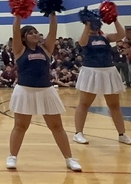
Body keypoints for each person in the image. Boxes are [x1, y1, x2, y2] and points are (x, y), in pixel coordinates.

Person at [6, 12, 81, 172]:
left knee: (56, 126)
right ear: (24, 37)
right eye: (30, 33)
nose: (35, 34)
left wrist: (52, 14)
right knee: (20, 126)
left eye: (36, 32)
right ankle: (12, 156)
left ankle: (69, 158)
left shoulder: (46, 49)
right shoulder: (20, 49)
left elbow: (53, 31)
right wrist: (18, 15)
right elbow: (15, 31)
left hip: (46, 90)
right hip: (25, 90)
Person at [72, 17, 131, 146]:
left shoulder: (105, 37)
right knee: (84, 104)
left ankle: (122, 134)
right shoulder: (85, 37)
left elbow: (121, 34)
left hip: (108, 71)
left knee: (114, 105)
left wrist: (114, 19)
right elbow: (82, 43)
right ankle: (78, 133)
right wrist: (87, 25)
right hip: (91, 71)